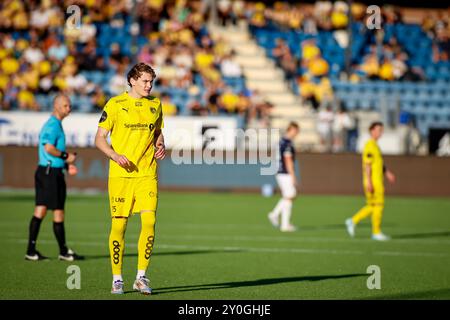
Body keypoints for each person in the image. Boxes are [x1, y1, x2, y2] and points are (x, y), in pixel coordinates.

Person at [95, 63, 166, 295]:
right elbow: (99, 139)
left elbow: (157, 131)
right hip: (120, 175)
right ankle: (117, 278)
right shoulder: (115, 104)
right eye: (145, 81)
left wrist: (160, 143)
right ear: (132, 80)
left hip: (147, 173)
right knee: (119, 226)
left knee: (149, 222)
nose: (149, 86)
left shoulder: (156, 104)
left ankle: (141, 277)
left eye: (151, 82)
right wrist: (114, 155)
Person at [25, 94, 83, 261]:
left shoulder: (55, 124)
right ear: (56, 106)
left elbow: (49, 152)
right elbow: (49, 148)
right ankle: (62, 251)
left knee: (44, 210)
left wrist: (65, 165)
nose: (69, 108)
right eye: (65, 105)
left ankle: (34, 250)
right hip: (50, 174)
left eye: (69, 105)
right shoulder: (53, 125)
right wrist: (66, 156)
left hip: (50, 171)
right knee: (55, 211)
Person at [345, 122, 396, 241]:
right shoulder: (369, 145)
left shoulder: (375, 145)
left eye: (381, 130)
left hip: (376, 180)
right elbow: (367, 165)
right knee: (378, 205)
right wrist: (369, 181)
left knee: (372, 206)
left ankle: (352, 221)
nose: (380, 133)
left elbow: (379, 163)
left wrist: (387, 172)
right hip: (373, 181)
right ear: (372, 131)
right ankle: (376, 232)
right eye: (378, 130)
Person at [268, 122, 300, 232]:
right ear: (290, 130)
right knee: (290, 195)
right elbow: (288, 160)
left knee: (289, 196)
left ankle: (283, 222)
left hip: (279, 171)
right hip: (284, 172)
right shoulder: (287, 143)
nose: (296, 134)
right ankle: (277, 216)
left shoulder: (281, 141)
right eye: (295, 131)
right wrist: (293, 175)